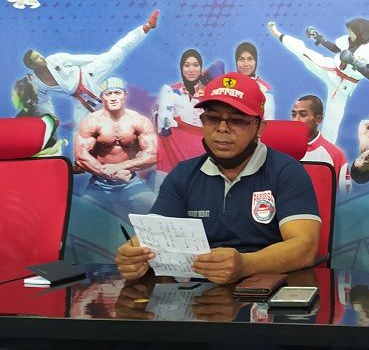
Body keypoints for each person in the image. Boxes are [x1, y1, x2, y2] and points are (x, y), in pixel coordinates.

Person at [115, 72, 321, 284]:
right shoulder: (184, 174)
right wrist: (133, 255)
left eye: (237, 120)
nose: (222, 128)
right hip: (198, 299)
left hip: (265, 299)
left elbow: (305, 247)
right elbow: (154, 234)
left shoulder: (287, 171)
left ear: (259, 127)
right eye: (212, 118)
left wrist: (245, 264)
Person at [21, 10, 159, 125]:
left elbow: (79, 60)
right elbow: (44, 102)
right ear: (32, 66)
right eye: (37, 58)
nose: (42, 58)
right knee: (80, 127)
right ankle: (80, 158)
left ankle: (146, 27)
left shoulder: (55, 59)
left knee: (117, 52)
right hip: (81, 97)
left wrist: (102, 59)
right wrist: (50, 116)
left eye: (40, 55)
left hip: (89, 73)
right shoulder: (37, 84)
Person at [267, 19, 369, 144]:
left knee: (334, 118)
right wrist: (319, 38)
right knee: (305, 53)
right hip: (331, 69)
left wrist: (355, 62)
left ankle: (328, 150)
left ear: (361, 33)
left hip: (343, 85)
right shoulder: (346, 40)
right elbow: (334, 48)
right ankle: (279, 34)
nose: (349, 33)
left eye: (352, 31)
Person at [74, 77, 157, 217]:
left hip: (130, 183)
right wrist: (109, 172)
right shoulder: (91, 121)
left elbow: (152, 154)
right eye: (108, 94)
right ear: (102, 97)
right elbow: (81, 156)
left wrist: (121, 166)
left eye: (117, 93)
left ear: (125, 95)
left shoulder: (139, 120)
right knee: (81, 218)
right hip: (100, 184)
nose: (113, 98)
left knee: (155, 211)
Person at [154, 49, 225, 187]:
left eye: (195, 65)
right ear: (181, 67)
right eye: (187, 65)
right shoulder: (170, 91)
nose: (191, 69)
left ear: (201, 68)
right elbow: (159, 122)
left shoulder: (212, 94)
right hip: (171, 160)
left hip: (202, 158)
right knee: (168, 200)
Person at [292, 95, 351, 194]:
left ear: (318, 119)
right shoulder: (281, 150)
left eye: (303, 115)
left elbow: (345, 197)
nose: (296, 120)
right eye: (293, 114)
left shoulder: (336, 155)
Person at [235, 41, 275, 119]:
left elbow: (268, 122)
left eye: (250, 59)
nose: (246, 64)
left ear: (255, 61)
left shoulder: (264, 89)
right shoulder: (228, 84)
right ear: (236, 61)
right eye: (241, 59)